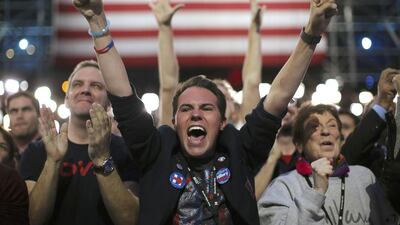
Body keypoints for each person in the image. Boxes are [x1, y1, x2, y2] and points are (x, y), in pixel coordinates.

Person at [74, 0, 337, 223]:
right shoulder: (157, 150)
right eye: (186, 108)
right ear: (174, 120)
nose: (196, 114)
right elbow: (123, 96)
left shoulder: (239, 149)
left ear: (223, 122)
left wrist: (311, 35)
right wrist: (98, 24)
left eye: (207, 108)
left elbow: (278, 97)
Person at [19, 60, 139, 225]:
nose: (85, 90)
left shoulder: (125, 151)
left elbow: (130, 220)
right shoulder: (36, 151)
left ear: (109, 103)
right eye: (77, 84)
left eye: (96, 86)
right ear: (67, 99)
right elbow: (32, 220)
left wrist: (103, 158)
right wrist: (52, 162)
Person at [258, 104, 399, 225]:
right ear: (299, 145)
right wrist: (316, 192)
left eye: (332, 125)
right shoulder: (282, 187)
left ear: (340, 138)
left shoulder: (365, 177)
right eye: (314, 127)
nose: (326, 132)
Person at [153, 0, 264, 128]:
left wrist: (255, 29)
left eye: (222, 97)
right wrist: (164, 28)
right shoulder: (179, 139)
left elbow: (252, 84)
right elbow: (168, 87)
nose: (213, 102)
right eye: (203, 101)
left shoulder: (244, 139)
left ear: (234, 111)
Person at [6, 92, 41, 158]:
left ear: (38, 114)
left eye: (26, 109)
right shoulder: (4, 153)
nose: (19, 116)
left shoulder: (54, 151)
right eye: (14, 111)